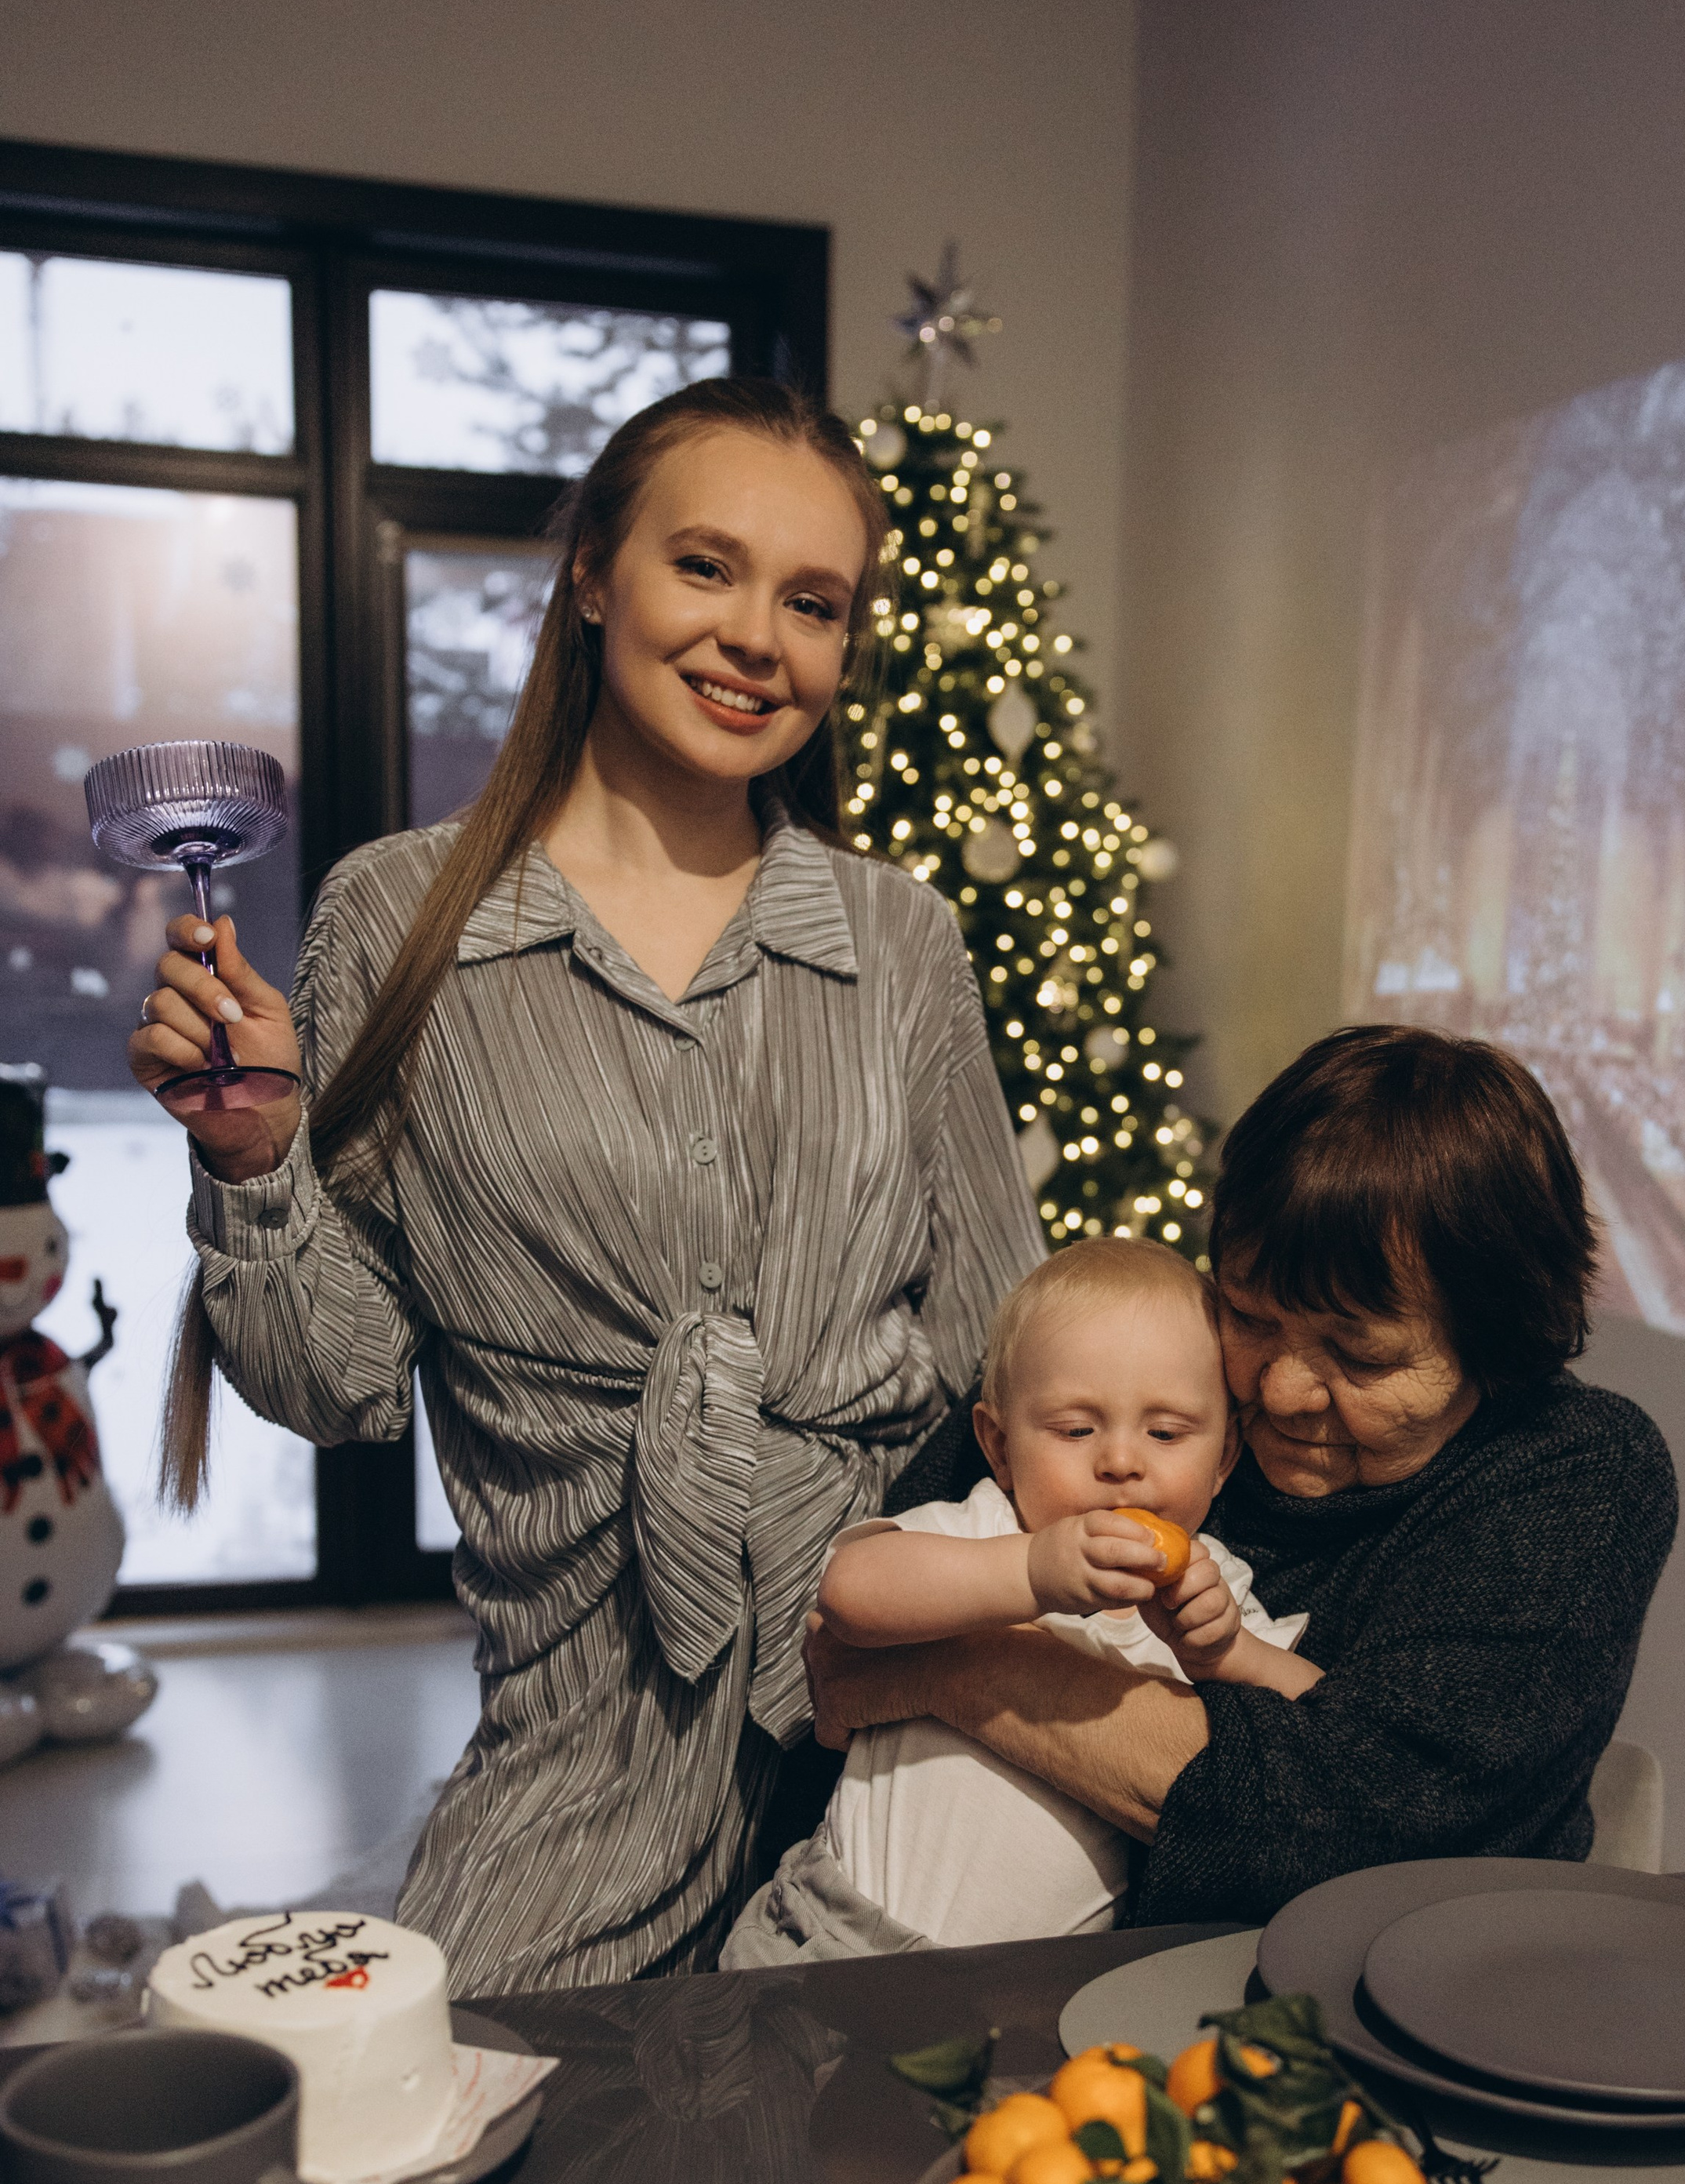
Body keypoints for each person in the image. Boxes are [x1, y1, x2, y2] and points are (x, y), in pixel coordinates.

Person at [129, 380, 1044, 1992]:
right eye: (708, 567)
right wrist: (254, 1155)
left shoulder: (899, 941)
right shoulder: (402, 918)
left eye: (812, 602)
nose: (758, 636)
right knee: (467, 2162)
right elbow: (339, 1386)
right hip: (582, 1747)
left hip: (902, 1722)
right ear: (594, 575)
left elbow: (996, 1346)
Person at [804, 1026, 1680, 1919]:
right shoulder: (1141, 1363)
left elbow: (1346, 1834)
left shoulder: (1573, 1475)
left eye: (1360, 1357)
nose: (1282, 1390)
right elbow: (841, 1653)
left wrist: (958, 1666)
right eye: (1251, 1316)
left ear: (1492, 1351)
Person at [720, 1239, 1310, 1962]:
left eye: (1165, 1432)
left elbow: (1323, 1728)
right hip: (833, 1931)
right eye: (1075, 1429)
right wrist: (1030, 1572)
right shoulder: (987, 1527)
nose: (1121, 1461)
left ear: (1223, 1460)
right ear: (1000, 1446)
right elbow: (848, 1593)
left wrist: (1231, 1653)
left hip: (1030, 1983)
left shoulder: (1210, 1583)